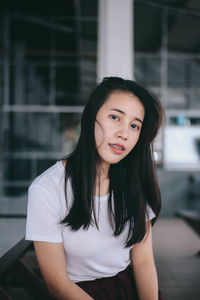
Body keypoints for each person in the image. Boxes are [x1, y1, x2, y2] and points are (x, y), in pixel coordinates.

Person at [25, 77, 164, 300]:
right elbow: (56, 282)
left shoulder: (135, 180)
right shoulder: (47, 189)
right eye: (114, 117)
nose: (124, 133)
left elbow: (144, 261)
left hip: (131, 289)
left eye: (134, 125)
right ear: (91, 117)